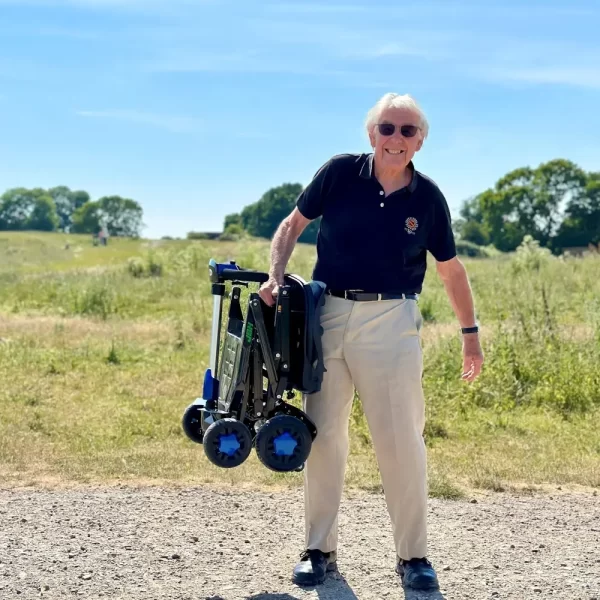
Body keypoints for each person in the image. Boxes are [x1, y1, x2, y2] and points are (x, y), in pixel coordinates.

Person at [258, 92, 484, 591]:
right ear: (371, 134)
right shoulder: (339, 173)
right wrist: (275, 275)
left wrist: (471, 335)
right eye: (387, 128)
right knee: (322, 435)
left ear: (420, 141)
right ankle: (319, 550)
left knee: (401, 442)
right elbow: (292, 225)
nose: (396, 139)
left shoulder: (427, 198)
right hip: (328, 314)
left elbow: (450, 271)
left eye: (407, 131)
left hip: (392, 318)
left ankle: (414, 558)